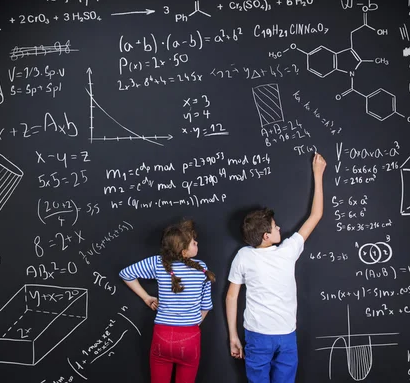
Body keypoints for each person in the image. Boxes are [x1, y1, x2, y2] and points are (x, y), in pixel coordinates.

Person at [225, 152, 326, 383]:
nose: (279, 227)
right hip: (285, 335)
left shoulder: (243, 256)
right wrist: (318, 175)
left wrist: (233, 335)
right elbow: (316, 215)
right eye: (274, 226)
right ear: (266, 235)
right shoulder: (288, 251)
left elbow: (231, 297)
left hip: (258, 336)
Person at [119, 219, 215, 383]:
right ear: (184, 251)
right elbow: (205, 306)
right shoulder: (202, 268)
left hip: (162, 335)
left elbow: (126, 274)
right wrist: (193, 323)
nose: (197, 242)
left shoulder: (158, 263)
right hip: (190, 336)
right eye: (193, 242)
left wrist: (146, 297)